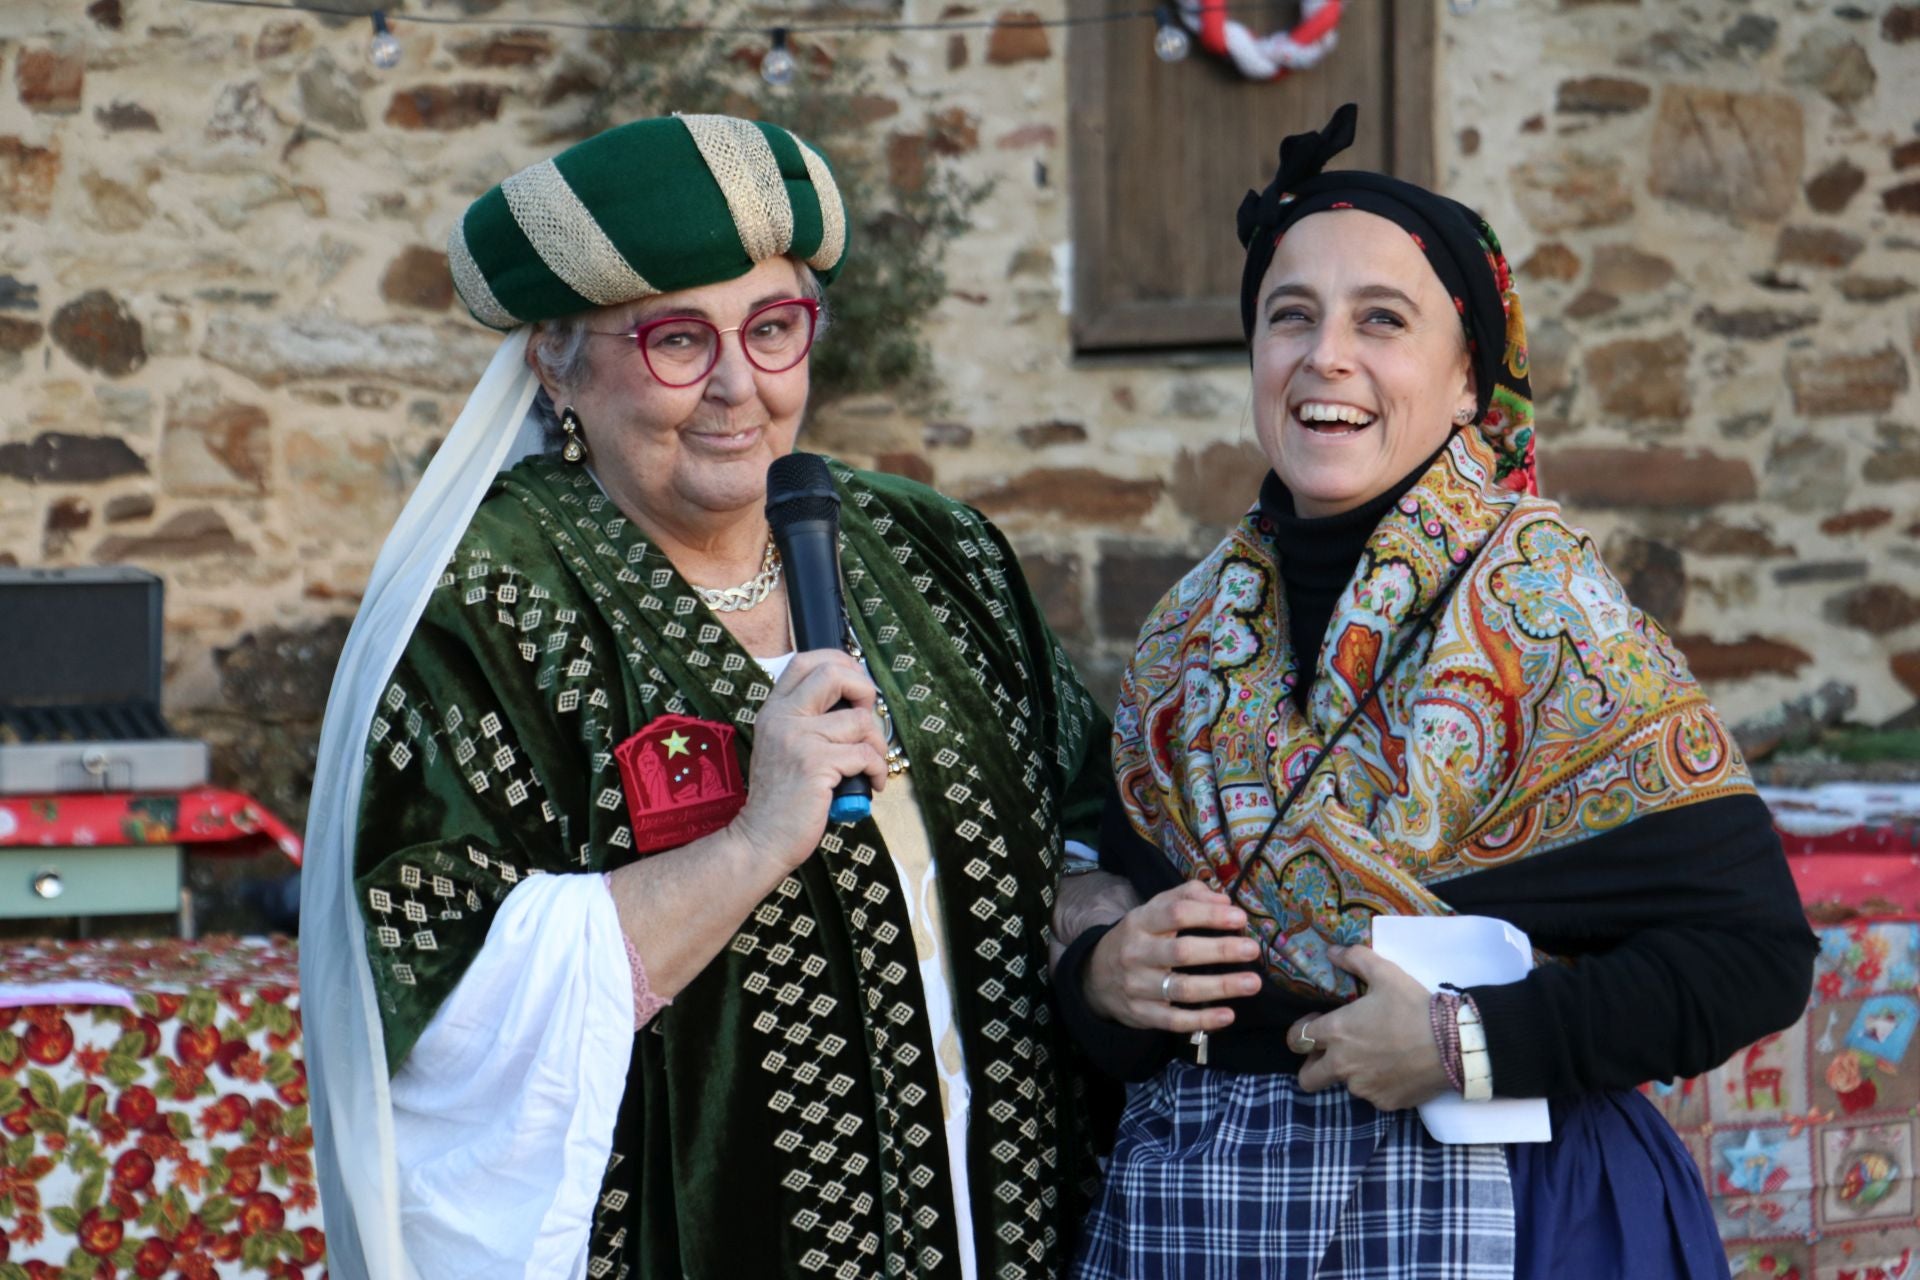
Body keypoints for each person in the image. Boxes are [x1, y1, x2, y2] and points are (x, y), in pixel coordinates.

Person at [300, 114, 1109, 1280]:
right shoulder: (483, 604)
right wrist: (756, 837)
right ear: (556, 360)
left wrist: (1105, 925)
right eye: (678, 340)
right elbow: (433, 986)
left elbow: (1082, 811)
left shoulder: (937, 552)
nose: (739, 387)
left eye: (774, 329)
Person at [1049, 104, 1816, 1280]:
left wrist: (1468, 1039)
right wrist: (1104, 981)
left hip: (1508, 1210)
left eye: (1383, 321)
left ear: (1469, 382)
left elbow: (1754, 952)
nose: (1326, 357)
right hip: (1202, 1221)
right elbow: (1121, 946)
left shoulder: (1544, 617)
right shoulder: (1185, 643)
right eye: (1288, 316)